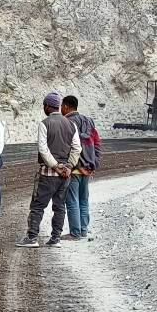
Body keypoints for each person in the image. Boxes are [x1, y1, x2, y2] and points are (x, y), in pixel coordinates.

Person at [20, 93, 79, 248]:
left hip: (48, 174)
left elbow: (43, 149)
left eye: (44, 105)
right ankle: (55, 239)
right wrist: (68, 167)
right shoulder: (71, 124)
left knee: (38, 206)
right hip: (65, 176)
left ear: (47, 106)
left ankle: (32, 238)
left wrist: (55, 166)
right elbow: (76, 148)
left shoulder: (44, 123)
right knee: (59, 207)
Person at [61, 95, 101, 241]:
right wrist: (93, 164)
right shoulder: (89, 121)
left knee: (72, 201)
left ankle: (75, 233)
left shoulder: (67, 123)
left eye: (61, 106)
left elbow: (68, 148)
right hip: (88, 169)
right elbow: (97, 144)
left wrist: (71, 166)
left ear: (65, 106)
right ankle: (83, 230)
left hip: (75, 169)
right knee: (84, 200)